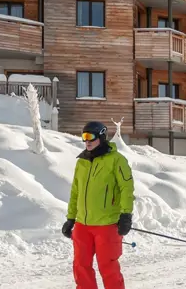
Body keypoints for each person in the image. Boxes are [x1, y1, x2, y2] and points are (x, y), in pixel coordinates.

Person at [62, 121, 134, 289]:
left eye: (90, 137)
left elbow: (126, 188)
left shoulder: (116, 160)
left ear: (101, 137)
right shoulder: (81, 163)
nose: (86, 141)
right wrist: (71, 218)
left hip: (107, 224)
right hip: (82, 225)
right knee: (80, 266)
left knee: (107, 266)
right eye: (84, 136)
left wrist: (126, 214)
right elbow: (75, 192)